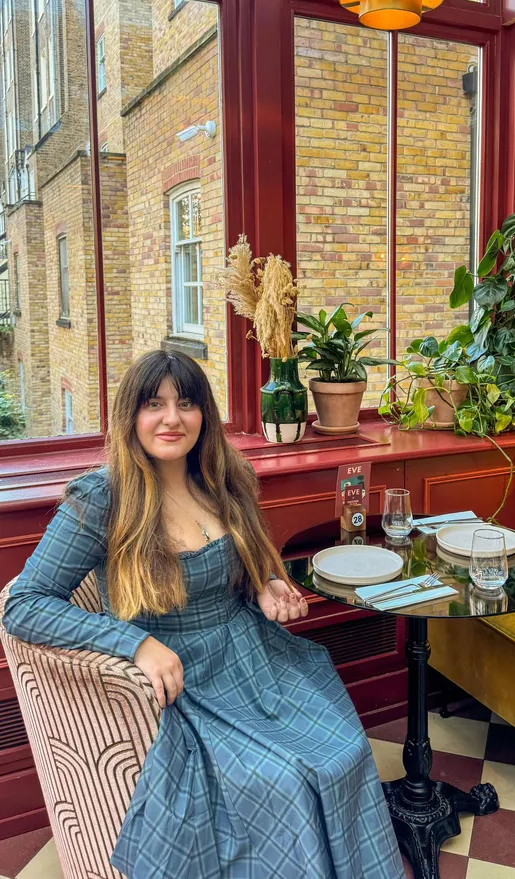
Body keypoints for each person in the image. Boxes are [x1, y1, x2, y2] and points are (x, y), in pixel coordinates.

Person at [2, 350, 405, 879]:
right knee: (279, 782)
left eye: (186, 404)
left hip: (255, 658)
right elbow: (23, 605)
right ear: (131, 415)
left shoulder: (223, 476)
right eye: (155, 404)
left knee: (342, 753)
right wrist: (134, 644)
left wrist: (263, 585)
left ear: (204, 415)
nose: (172, 418)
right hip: (187, 679)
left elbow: (246, 566)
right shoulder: (102, 498)